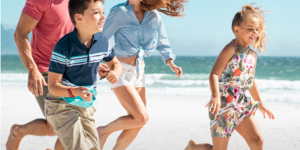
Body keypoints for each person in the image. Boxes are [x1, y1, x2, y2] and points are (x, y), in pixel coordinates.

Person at [97, 0, 187, 149]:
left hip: (140, 72)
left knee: (139, 123)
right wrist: (96, 62)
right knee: (141, 117)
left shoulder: (154, 16)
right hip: (120, 71)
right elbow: (101, 39)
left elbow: (162, 42)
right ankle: (103, 131)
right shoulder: (119, 12)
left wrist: (171, 62)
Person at [185, 4, 275, 150]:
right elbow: (214, 74)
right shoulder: (230, 49)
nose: (255, 32)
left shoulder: (252, 55)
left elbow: (250, 81)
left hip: (242, 103)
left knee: (257, 141)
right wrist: (215, 96)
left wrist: (260, 103)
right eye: (250, 28)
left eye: (257, 29)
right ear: (236, 30)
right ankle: (193, 147)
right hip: (223, 104)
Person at [45, 0, 122, 149]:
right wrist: (75, 91)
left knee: (94, 147)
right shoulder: (63, 46)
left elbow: (116, 64)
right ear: (78, 18)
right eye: (96, 13)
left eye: (103, 12)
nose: (103, 17)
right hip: (62, 104)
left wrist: (115, 73)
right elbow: (53, 86)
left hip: (86, 104)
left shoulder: (102, 41)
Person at [6, 0, 74, 149]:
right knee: (64, 126)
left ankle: (18, 132)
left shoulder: (79, 2)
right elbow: (20, 33)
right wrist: (32, 69)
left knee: (62, 125)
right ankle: (18, 132)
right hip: (46, 71)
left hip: (71, 72)